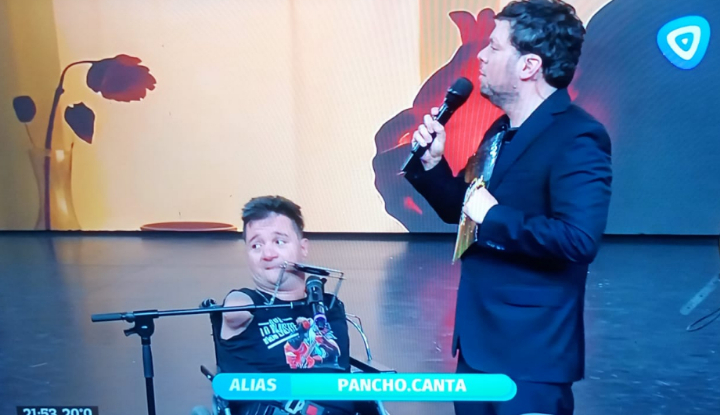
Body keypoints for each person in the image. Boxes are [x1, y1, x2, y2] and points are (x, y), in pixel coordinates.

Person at [404, 1, 612, 414]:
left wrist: (493, 216)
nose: (481, 56)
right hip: (477, 350)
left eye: (494, 47)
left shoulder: (579, 136)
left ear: (529, 65)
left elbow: (578, 239)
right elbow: (467, 210)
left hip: (531, 360)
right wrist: (432, 167)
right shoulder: (500, 131)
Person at [211, 195, 356, 415]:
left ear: (303, 247)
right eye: (256, 245)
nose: (268, 254)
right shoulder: (244, 303)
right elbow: (234, 312)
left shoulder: (328, 306)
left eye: (279, 242)